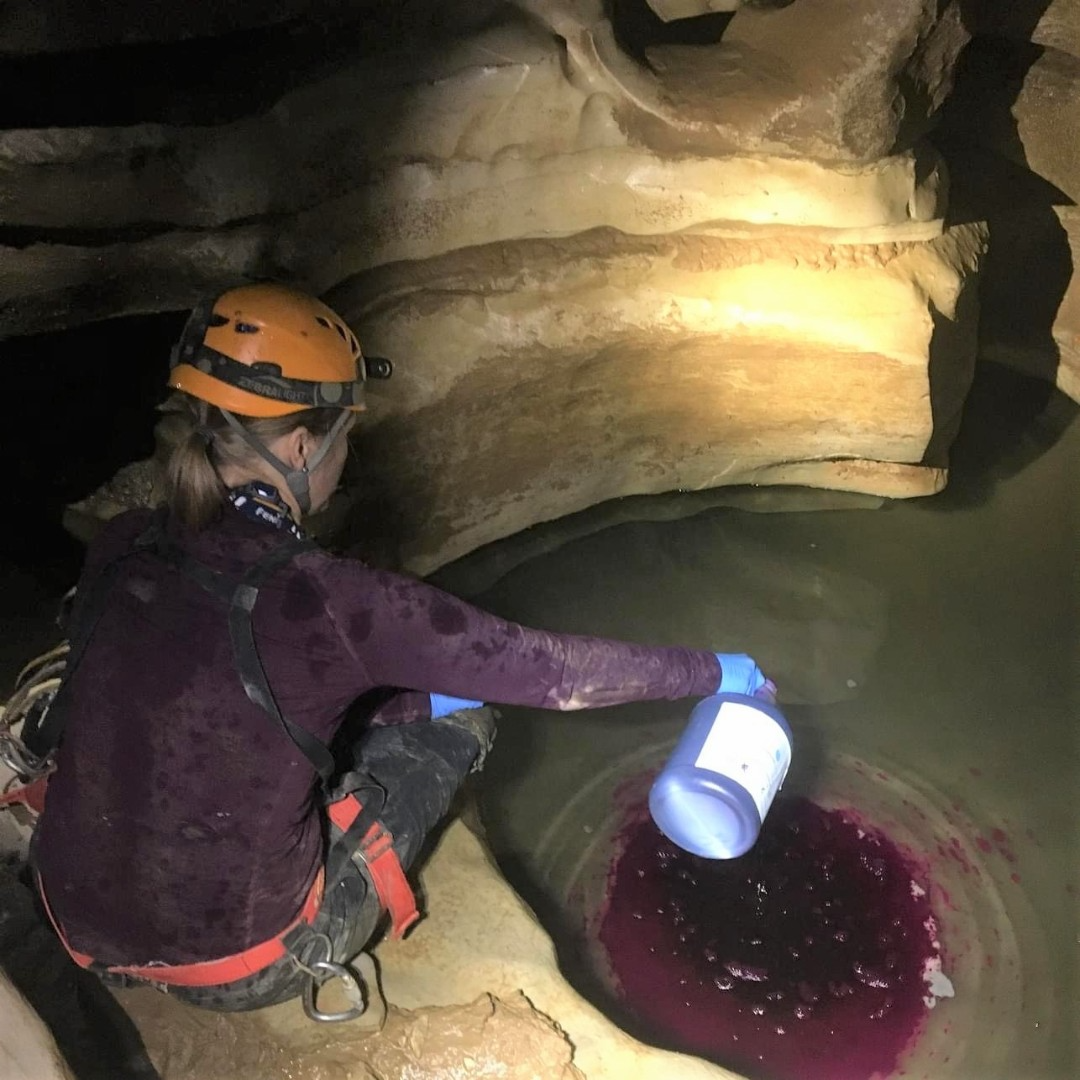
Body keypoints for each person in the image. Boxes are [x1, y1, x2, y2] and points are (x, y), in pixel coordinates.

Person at [27, 283, 770, 1020]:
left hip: (75, 923)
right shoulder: (328, 597)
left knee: (346, 708)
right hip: (236, 963)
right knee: (469, 715)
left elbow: (235, 684)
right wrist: (715, 670)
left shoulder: (125, 543)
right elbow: (555, 672)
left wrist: (405, 697)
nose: (346, 456)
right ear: (299, 446)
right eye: (344, 436)